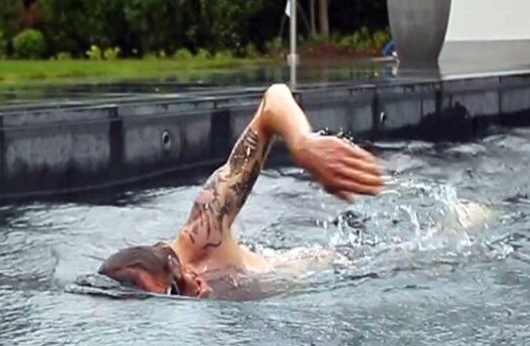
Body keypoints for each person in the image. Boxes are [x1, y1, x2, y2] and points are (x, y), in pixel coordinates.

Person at [98, 83, 385, 298]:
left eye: (174, 285)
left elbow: (274, 101)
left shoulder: (203, 232)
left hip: (345, 268)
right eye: (174, 295)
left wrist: (302, 143)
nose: (190, 284)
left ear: (172, 261)